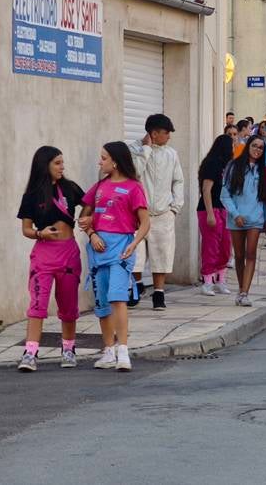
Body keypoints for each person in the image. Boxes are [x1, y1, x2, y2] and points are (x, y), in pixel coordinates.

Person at [79, 142, 150, 372]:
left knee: (118, 298)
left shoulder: (134, 187)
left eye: (104, 158)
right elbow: (83, 217)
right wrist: (91, 234)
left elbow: (145, 222)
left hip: (120, 251)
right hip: (98, 252)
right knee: (102, 304)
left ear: (116, 161)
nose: (99, 162)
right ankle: (108, 351)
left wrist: (134, 244)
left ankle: (123, 351)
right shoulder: (99, 186)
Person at [16, 147, 87, 372]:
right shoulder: (32, 195)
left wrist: (86, 218)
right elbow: (26, 229)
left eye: (62, 162)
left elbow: (89, 202)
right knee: (38, 304)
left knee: (68, 305)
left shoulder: (70, 188)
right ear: (44, 165)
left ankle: (68, 349)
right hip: (44, 255)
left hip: (68, 253)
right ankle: (30, 353)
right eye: (57, 163)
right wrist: (40, 233)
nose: (62, 167)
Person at [128, 114, 184, 311]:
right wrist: (146, 149)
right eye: (166, 132)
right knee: (134, 253)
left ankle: (159, 293)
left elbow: (178, 180)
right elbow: (134, 173)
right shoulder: (134, 150)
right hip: (137, 214)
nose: (169, 136)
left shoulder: (171, 153)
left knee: (162, 253)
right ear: (154, 133)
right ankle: (136, 287)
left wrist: (175, 208)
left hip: (163, 213)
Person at [220, 135, 266, 305]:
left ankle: (245, 292)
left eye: (261, 147)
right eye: (254, 145)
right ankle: (241, 289)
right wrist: (235, 214)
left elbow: (265, 198)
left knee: (251, 254)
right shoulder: (234, 166)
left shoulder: (264, 169)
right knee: (239, 255)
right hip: (236, 218)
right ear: (248, 146)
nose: (257, 150)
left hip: (255, 219)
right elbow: (225, 194)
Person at [197, 135, 235, 296]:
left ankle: (220, 280)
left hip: (224, 208)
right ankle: (207, 281)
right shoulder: (212, 164)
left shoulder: (228, 165)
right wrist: (210, 214)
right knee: (211, 246)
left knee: (225, 246)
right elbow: (206, 190)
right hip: (210, 209)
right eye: (232, 145)